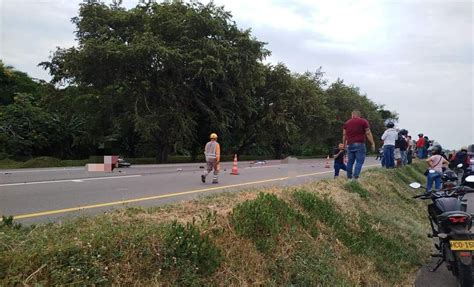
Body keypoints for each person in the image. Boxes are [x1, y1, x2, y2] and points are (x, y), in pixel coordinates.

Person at [342, 110, 376, 180]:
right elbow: (368, 133)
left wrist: (344, 144)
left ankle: (349, 177)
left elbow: (344, 135)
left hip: (349, 144)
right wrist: (372, 143)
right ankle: (356, 177)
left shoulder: (347, 123)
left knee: (350, 162)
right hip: (359, 144)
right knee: (359, 161)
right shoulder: (363, 121)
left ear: (352, 115)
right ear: (359, 115)